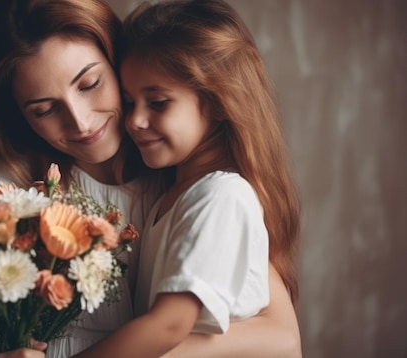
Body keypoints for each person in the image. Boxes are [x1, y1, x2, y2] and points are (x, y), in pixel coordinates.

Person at [0, 0, 301, 357]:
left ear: (118, 64)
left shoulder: (186, 183)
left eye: (90, 83)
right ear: (20, 115)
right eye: (45, 109)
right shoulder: (5, 190)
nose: (81, 122)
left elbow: (280, 336)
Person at [71, 0, 301, 357]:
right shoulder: (173, 196)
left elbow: (169, 325)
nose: (135, 121)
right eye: (130, 102)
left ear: (217, 101)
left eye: (158, 102)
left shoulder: (222, 196)